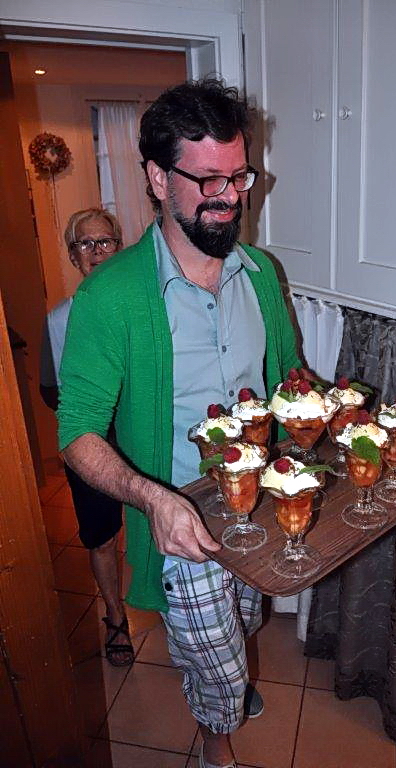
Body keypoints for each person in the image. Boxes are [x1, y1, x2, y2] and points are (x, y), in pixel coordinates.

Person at [57, 79, 301, 768]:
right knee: (215, 668)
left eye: (239, 176)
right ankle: (216, 746)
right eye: (208, 180)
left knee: (245, 618)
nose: (230, 197)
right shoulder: (110, 296)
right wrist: (152, 499)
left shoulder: (262, 273)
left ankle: (229, 682)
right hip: (182, 520)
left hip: (257, 504)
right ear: (159, 179)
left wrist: (325, 421)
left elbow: (288, 376)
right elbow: (76, 429)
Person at [40, 207, 134, 667]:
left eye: (105, 242)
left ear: (119, 248)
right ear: (73, 255)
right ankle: (115, 616)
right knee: (101, 536)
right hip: (91, 442)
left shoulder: (143, 310)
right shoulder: (58, 321)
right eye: (85, 243)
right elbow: (50, 391)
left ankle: (175, 607)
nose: (96, 251)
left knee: (159, 523)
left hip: (141, 437)